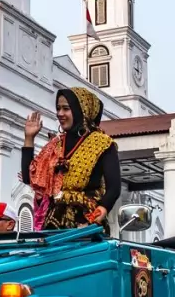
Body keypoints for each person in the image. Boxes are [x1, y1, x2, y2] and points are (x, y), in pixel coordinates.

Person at [22, 87, 121, 233]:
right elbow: (28, 178)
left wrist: (103, 209)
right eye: (58, 108)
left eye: (66, 109)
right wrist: (29, 138)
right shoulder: (55, 144)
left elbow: (114, 188)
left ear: (82, 110)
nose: (60, 114)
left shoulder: (102, 143)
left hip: (86, 221)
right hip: (53, 223)